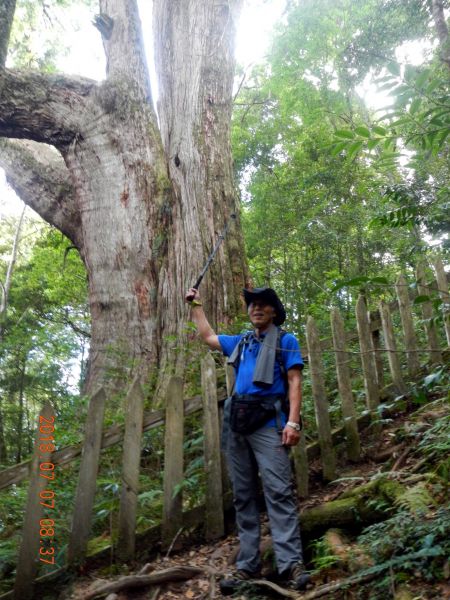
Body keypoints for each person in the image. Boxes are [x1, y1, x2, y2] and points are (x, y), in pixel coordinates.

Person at [185, 285, 310, 594]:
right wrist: (196, 306)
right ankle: (247, 565)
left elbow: (294, 381)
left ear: (273, 312)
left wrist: (293, 421)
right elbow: (209, 338)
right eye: (253, 305)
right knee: (243, 496)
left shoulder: (285, 340)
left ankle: (291, 565)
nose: (256, 309)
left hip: (270, 423)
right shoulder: (241, 342)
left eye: (263, 305)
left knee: (278, 491)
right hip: (238, 424)